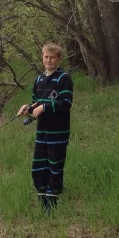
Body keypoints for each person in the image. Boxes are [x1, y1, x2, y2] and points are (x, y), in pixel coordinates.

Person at [17, 43, 74, 214]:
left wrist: (44, 108)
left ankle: (52, 203)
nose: (48, 60)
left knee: (54, 167)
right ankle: (43, 199)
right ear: (42, 58)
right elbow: (36, 102)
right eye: (46, 57)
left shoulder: (64, 78)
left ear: (58, 59)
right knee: (38, 168)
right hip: (42, 131)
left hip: (58, 132)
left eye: (52, 57)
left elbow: (66, 103)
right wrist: (28, 108)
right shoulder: (39, 79)